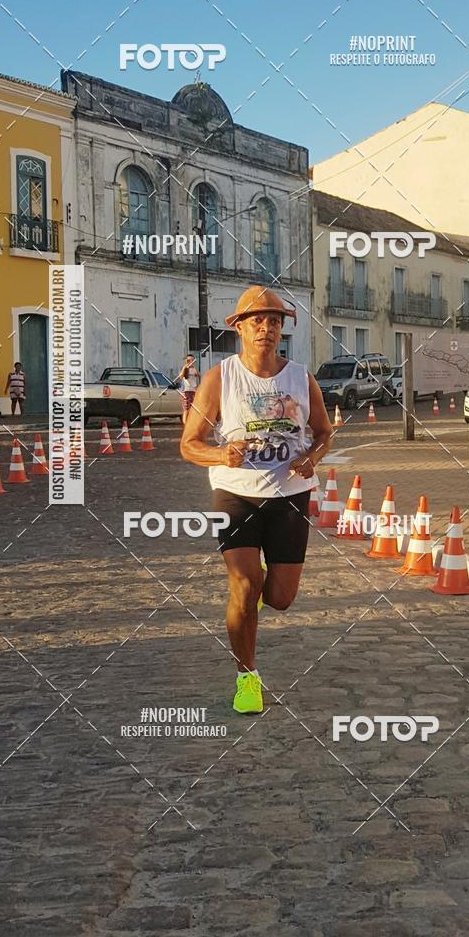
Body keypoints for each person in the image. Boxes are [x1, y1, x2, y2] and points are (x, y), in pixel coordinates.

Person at [180, 286, 332, 714]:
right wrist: (220, 454)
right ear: (241, 328)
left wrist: (312, 457)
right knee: (245, 587)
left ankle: (256, 585)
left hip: (290, 497)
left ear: (282, 330)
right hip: (236, 495)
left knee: (280, 597)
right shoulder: (220, 378)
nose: (266, 328)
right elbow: (189, 444)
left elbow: (324, 433)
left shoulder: (301, 378)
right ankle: (247, 677)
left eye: (275, 321)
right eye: (258, 321)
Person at [177, 354, 201, 425]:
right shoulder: (185, 368)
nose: (191, 361)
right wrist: (185, 366)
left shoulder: (193, 369)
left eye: (193, 360)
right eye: (189, 360)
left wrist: (194, 367)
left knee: (193, 408)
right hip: (186, 391)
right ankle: (185, 425)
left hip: (193, 390)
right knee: (186, 409)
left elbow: (199, 375)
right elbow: (180, 376)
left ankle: (191, 423)